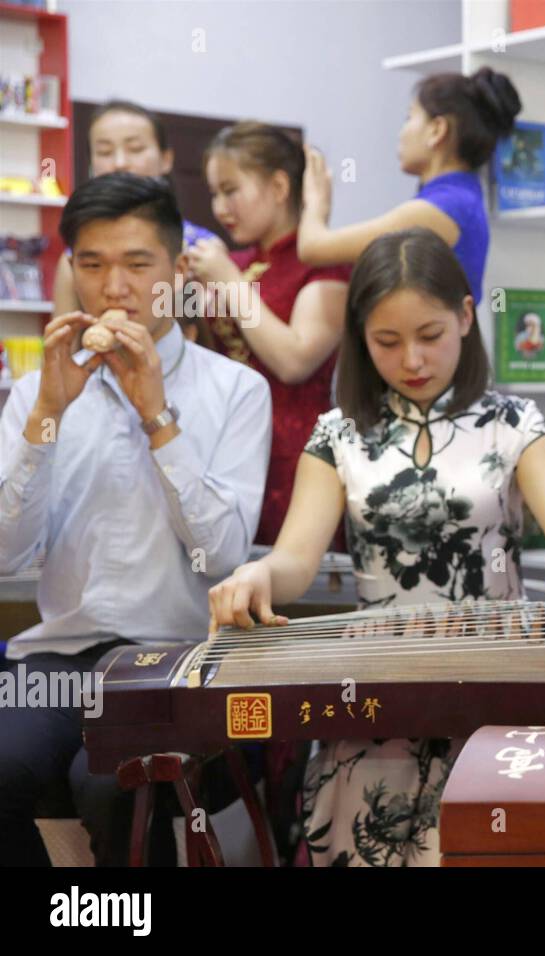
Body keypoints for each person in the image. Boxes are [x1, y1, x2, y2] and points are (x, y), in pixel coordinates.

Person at [206, 228, 545, 866]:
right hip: (379, 691)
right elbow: (297, 558)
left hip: (500, 686)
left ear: (465, 317)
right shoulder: (339, 433)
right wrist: (260, 574)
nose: (411, 360)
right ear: (359, 336)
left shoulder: (515, 423)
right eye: (386, 341)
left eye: (430, 336)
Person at [0, 173, 271, 865]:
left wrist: (158, 417)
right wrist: (45, 421)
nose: (113, 286)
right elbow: (5, 556)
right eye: (91, 264)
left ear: (178, 270)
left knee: (110, 788)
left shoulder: (237, 388)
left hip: (177, 659)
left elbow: (224, 552)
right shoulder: (37, 390)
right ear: (71, 270)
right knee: (6, 765)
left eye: (137, 264)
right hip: (58, 657)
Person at [186, 122, 350, 547]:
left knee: (286, 590)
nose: (220, 207)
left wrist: (229, 281)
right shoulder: (230, 261)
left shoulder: (323, 263)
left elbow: (295, 361)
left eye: (230, 189)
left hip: (293, 453)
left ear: (279, 186)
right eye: (213, 193)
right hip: (224, 441)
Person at [296, 66, 520, 307]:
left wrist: (316, 200)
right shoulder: (460, 197)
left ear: (437, 130)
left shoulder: (443, 207)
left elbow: (312, 249)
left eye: (409, 117)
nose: (402, 132)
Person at [52, 100, 217, 325]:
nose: (120, 163)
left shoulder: (206, 250)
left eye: (135, 149)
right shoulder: (74, 257)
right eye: (104, 151)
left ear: (166, 159)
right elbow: (65, 341)